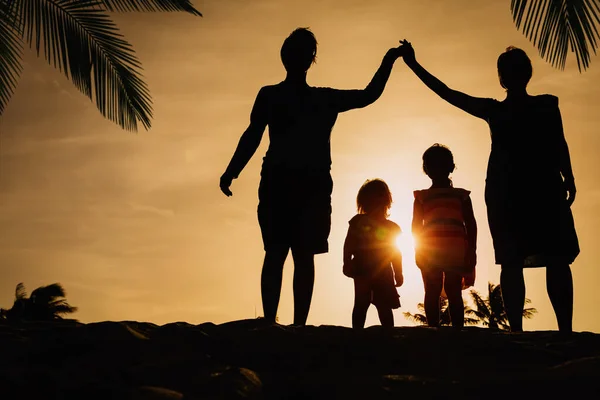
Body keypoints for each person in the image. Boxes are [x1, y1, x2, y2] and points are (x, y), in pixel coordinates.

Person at [219, 28, 404, 326]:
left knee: (294, 254)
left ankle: (293, 324)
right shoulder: (278, 96)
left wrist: (389, 60)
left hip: (307, 186)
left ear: (305, 59)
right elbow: (252, 135)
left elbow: (369, 96)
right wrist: (232, 171)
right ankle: (278, 322)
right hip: (286, 183)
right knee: (283, 253)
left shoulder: (311, 98)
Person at [399, 40, 579, 333]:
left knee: (519, 260)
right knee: (549, 257)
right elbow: (559, 144)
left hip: (513, 191)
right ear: (527, 74)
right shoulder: (545, 105)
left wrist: (413, 64)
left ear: (502, 78)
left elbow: (448, 94)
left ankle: (520, 330)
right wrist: (568, 176)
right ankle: (561, 330)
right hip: (531, 189)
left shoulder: (512, 109)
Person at [412, 144, 477, 329]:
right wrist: (418, 250)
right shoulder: (422, 198)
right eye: (433, 165)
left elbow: (471, 224)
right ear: (427, 169)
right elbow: (416, 227)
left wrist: (472, 249)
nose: (437, 169)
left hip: (454, 250)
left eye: (440, 164)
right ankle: (434, 328)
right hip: (432, 250)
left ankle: (456, 330)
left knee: (453, 290)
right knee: (433, 290)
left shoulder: (461, 196)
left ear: (450, 167)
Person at [343, 179, 403, 329]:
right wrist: (346, 261)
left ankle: (387, 333)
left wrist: (398, 272)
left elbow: (395, 252)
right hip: (363, 267)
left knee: (382, 305)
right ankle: (358, 333)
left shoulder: (391, 227)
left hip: (380, 269)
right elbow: (349, 243)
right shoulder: (358, 222)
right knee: (362, 303)